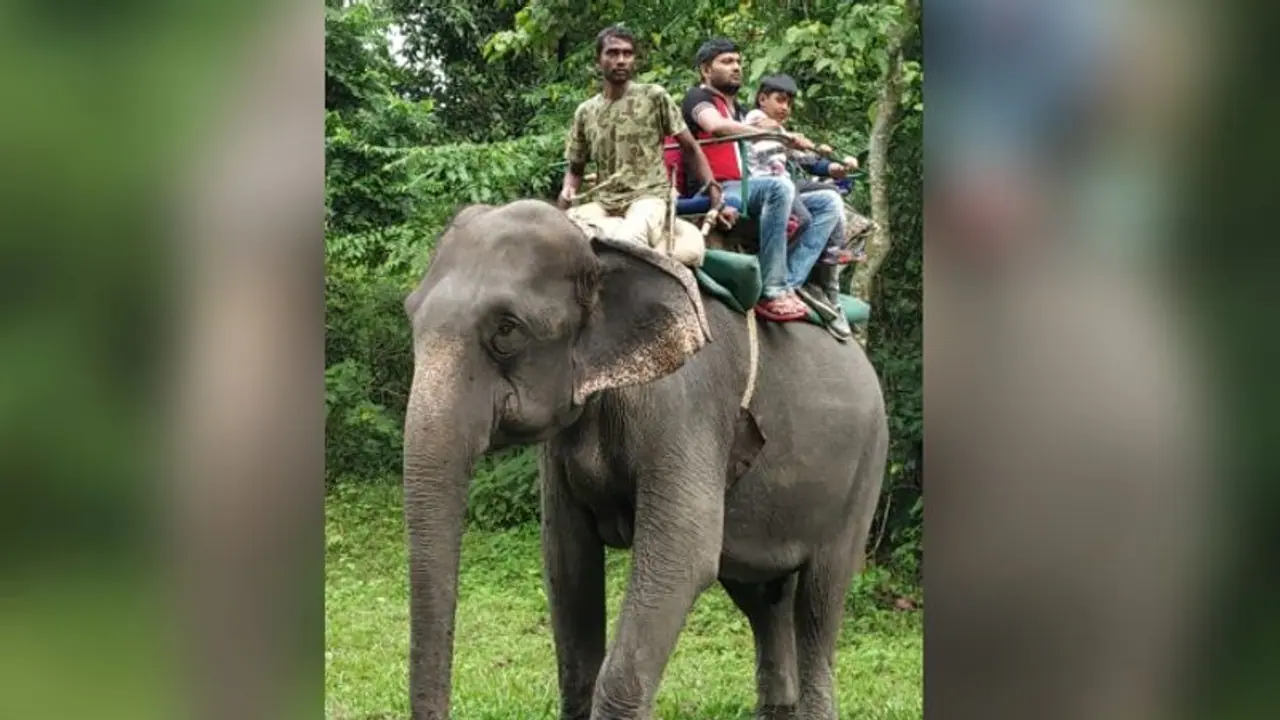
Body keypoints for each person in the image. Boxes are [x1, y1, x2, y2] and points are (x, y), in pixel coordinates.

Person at [680, 38, 842, 322]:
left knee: (828, 202)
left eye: (738, 62)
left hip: (747, 186)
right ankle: (773, 288)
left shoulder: (739, 110)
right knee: (778, 187)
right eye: (727, 62)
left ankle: (791, 280)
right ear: (706, 69)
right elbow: (715, 127)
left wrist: (791, 138)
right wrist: (769, 132)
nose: (736, 67)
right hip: (720, 187)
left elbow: (764, 130)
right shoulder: (699, 98)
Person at [558, 25, 726, 267]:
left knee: (626, 241)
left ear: (634, 59)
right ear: (598, 60)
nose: (621, 60)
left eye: (627, 54)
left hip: (648, 197)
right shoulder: (585, 112)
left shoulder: (654, 96)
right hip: (604, 202)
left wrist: (713, 191)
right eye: (613, 53)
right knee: (562, 237)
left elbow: (690, 148)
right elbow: (575, 169)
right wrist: (563, 207)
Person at [744, 74, 859, 266]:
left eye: (789, 104)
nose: (785, 108)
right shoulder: (755, 117)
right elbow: (766, 126)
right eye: (780, 100)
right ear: (762, 99)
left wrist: (839, 167)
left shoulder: (781, 133)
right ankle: (771, 263)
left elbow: (808, 160)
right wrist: (799, 140)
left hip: (786, 182)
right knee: (803, 218)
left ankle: (833, 249)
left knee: (831, 192)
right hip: (764, 182)